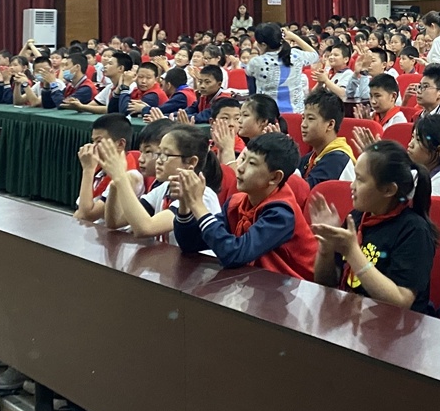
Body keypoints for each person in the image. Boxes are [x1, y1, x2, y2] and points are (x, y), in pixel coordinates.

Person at [309, 141, 439, 312]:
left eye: (360, 179)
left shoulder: (415, 231)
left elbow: (401, 301)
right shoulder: (358, 216)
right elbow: (326, 283)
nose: (352, 186)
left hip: (397, 325)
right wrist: (326, 248)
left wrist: (352, 252)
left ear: (388, 190)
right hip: (354, 316)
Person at [173, 132, 317, 279]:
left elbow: (235, 255)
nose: (240, 168)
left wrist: (198, 205)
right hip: (261, 284)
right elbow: (190, 244)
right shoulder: (237, 203)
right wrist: (185, 203)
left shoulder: (282, 214)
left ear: (275, 177)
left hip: (298, 288)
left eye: (252, 163)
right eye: (243, 159)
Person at [97, 125, 222, 243]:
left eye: (166, 155)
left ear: (191, 162)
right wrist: (115, 184)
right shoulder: (163, 188)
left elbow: (145, 228)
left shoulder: (202, 196)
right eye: (159, 153)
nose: (159, 161)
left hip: (199, 260)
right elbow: (115, 222)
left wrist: (121, 178)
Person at [74, 113, 140, 223]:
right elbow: (80, 211)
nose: (93, 147)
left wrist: (88, 170)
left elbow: (87, 216)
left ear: (120, 144)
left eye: (99, 141)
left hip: (113, 233)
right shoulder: (101, 168)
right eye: (93, 141)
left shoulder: (129, 174)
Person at [246, 22, 320, 114]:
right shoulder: (296, 55)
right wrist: (294, 37)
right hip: (296, 113)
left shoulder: (256, 62)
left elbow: (249, 74)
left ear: (264, 45)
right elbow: (315, 55)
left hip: (268, 114)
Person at [299, 87, 356, 187]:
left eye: (310, 119)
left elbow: (306, 190)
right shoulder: (310, 158)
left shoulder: (338, 160)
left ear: (330, 125)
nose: (303, 124)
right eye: (303, 118)